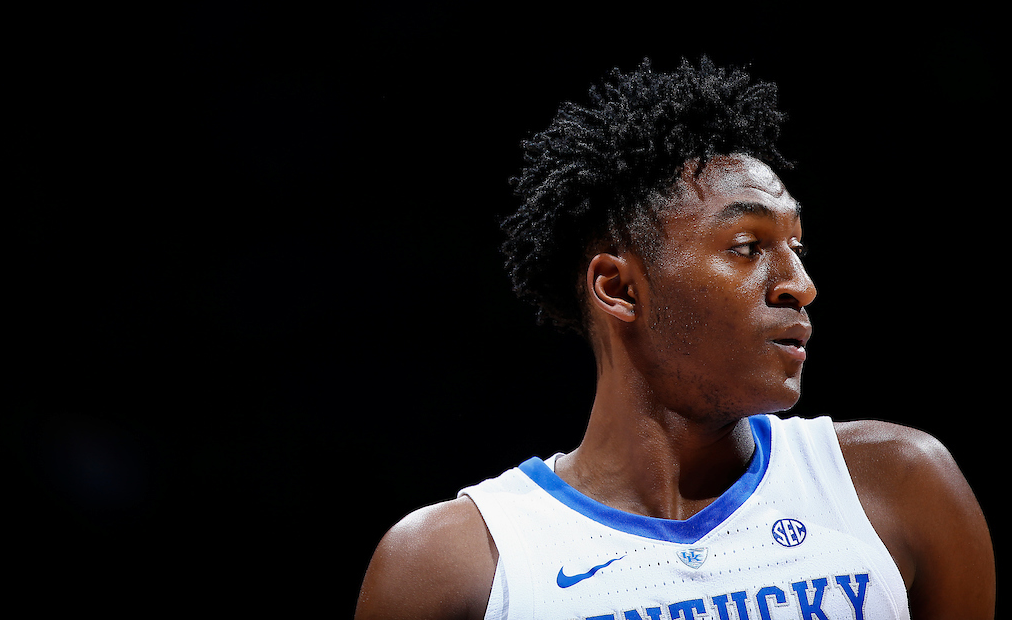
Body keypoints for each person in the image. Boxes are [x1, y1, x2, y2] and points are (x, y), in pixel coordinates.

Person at [354, 58, 995, 620]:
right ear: (619, 288)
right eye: (747, 247)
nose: (800, 285)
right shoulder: (457, 565)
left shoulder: (901, 488)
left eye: (797, 246)